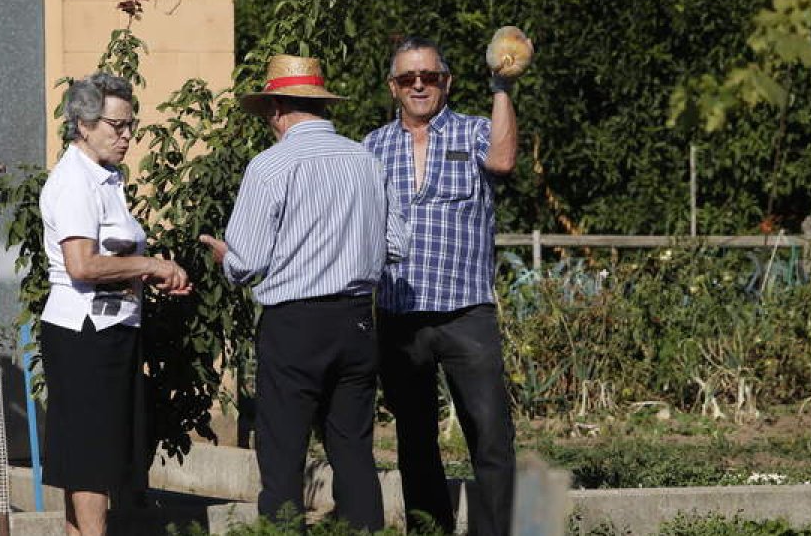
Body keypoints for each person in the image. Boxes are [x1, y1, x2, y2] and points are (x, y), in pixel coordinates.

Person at [200, 54, 408, 532]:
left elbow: (246, 262)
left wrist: (224, 258)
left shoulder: (271, 167)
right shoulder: (366, 161)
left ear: (276, 109)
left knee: (282, 454)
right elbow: (397, 244)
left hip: (294, 323)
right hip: (357, 319)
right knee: (354, 450)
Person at [363, 35, 529, 536]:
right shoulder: (371, 147)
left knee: (490, 434)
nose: (419, 85)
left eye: (429, 77)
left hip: (465, 312)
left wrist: (502, 89)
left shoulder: (475, 131)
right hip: (399, 312)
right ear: (393, 86)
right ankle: (429, 530)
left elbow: (502, 162)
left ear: (446, 82)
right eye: (409, 78)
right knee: (414, 437)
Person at [38, 72, 192, 536]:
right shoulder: (74, 182)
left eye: (131, 125)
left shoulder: (104, 179)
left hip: (109, 329)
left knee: (95, 458)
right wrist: (151, 266)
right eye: (115, 125)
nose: (126, 135)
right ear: (83, 124)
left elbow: (112, 258)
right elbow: (82, 265)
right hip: (85, 334)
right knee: (90, 460)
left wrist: (145, 274)